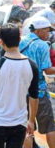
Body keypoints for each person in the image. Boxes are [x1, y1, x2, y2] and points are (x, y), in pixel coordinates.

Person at [0, 23, 39, 148]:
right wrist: (31, 121)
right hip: (19, 122)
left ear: (1, 42)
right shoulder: (32, 66)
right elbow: (34, 97)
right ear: (19, 39)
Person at [19, 17, 55, 148]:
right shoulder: (42, 45)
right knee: (50, 126)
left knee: (27, 127)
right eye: (47, 30)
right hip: (39, 92)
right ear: (39, 31)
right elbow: (47, 69)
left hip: (21, 92)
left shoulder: (20, 42)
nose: (49, 34)